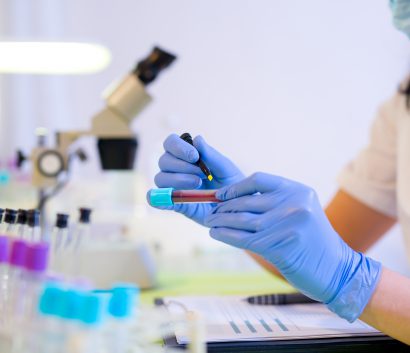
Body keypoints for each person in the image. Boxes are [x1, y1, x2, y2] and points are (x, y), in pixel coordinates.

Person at [150, 0, 410, 344]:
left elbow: (335, 268)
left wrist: (350, 279)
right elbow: (313, 254)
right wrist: (234, 212)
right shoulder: (402, 106)